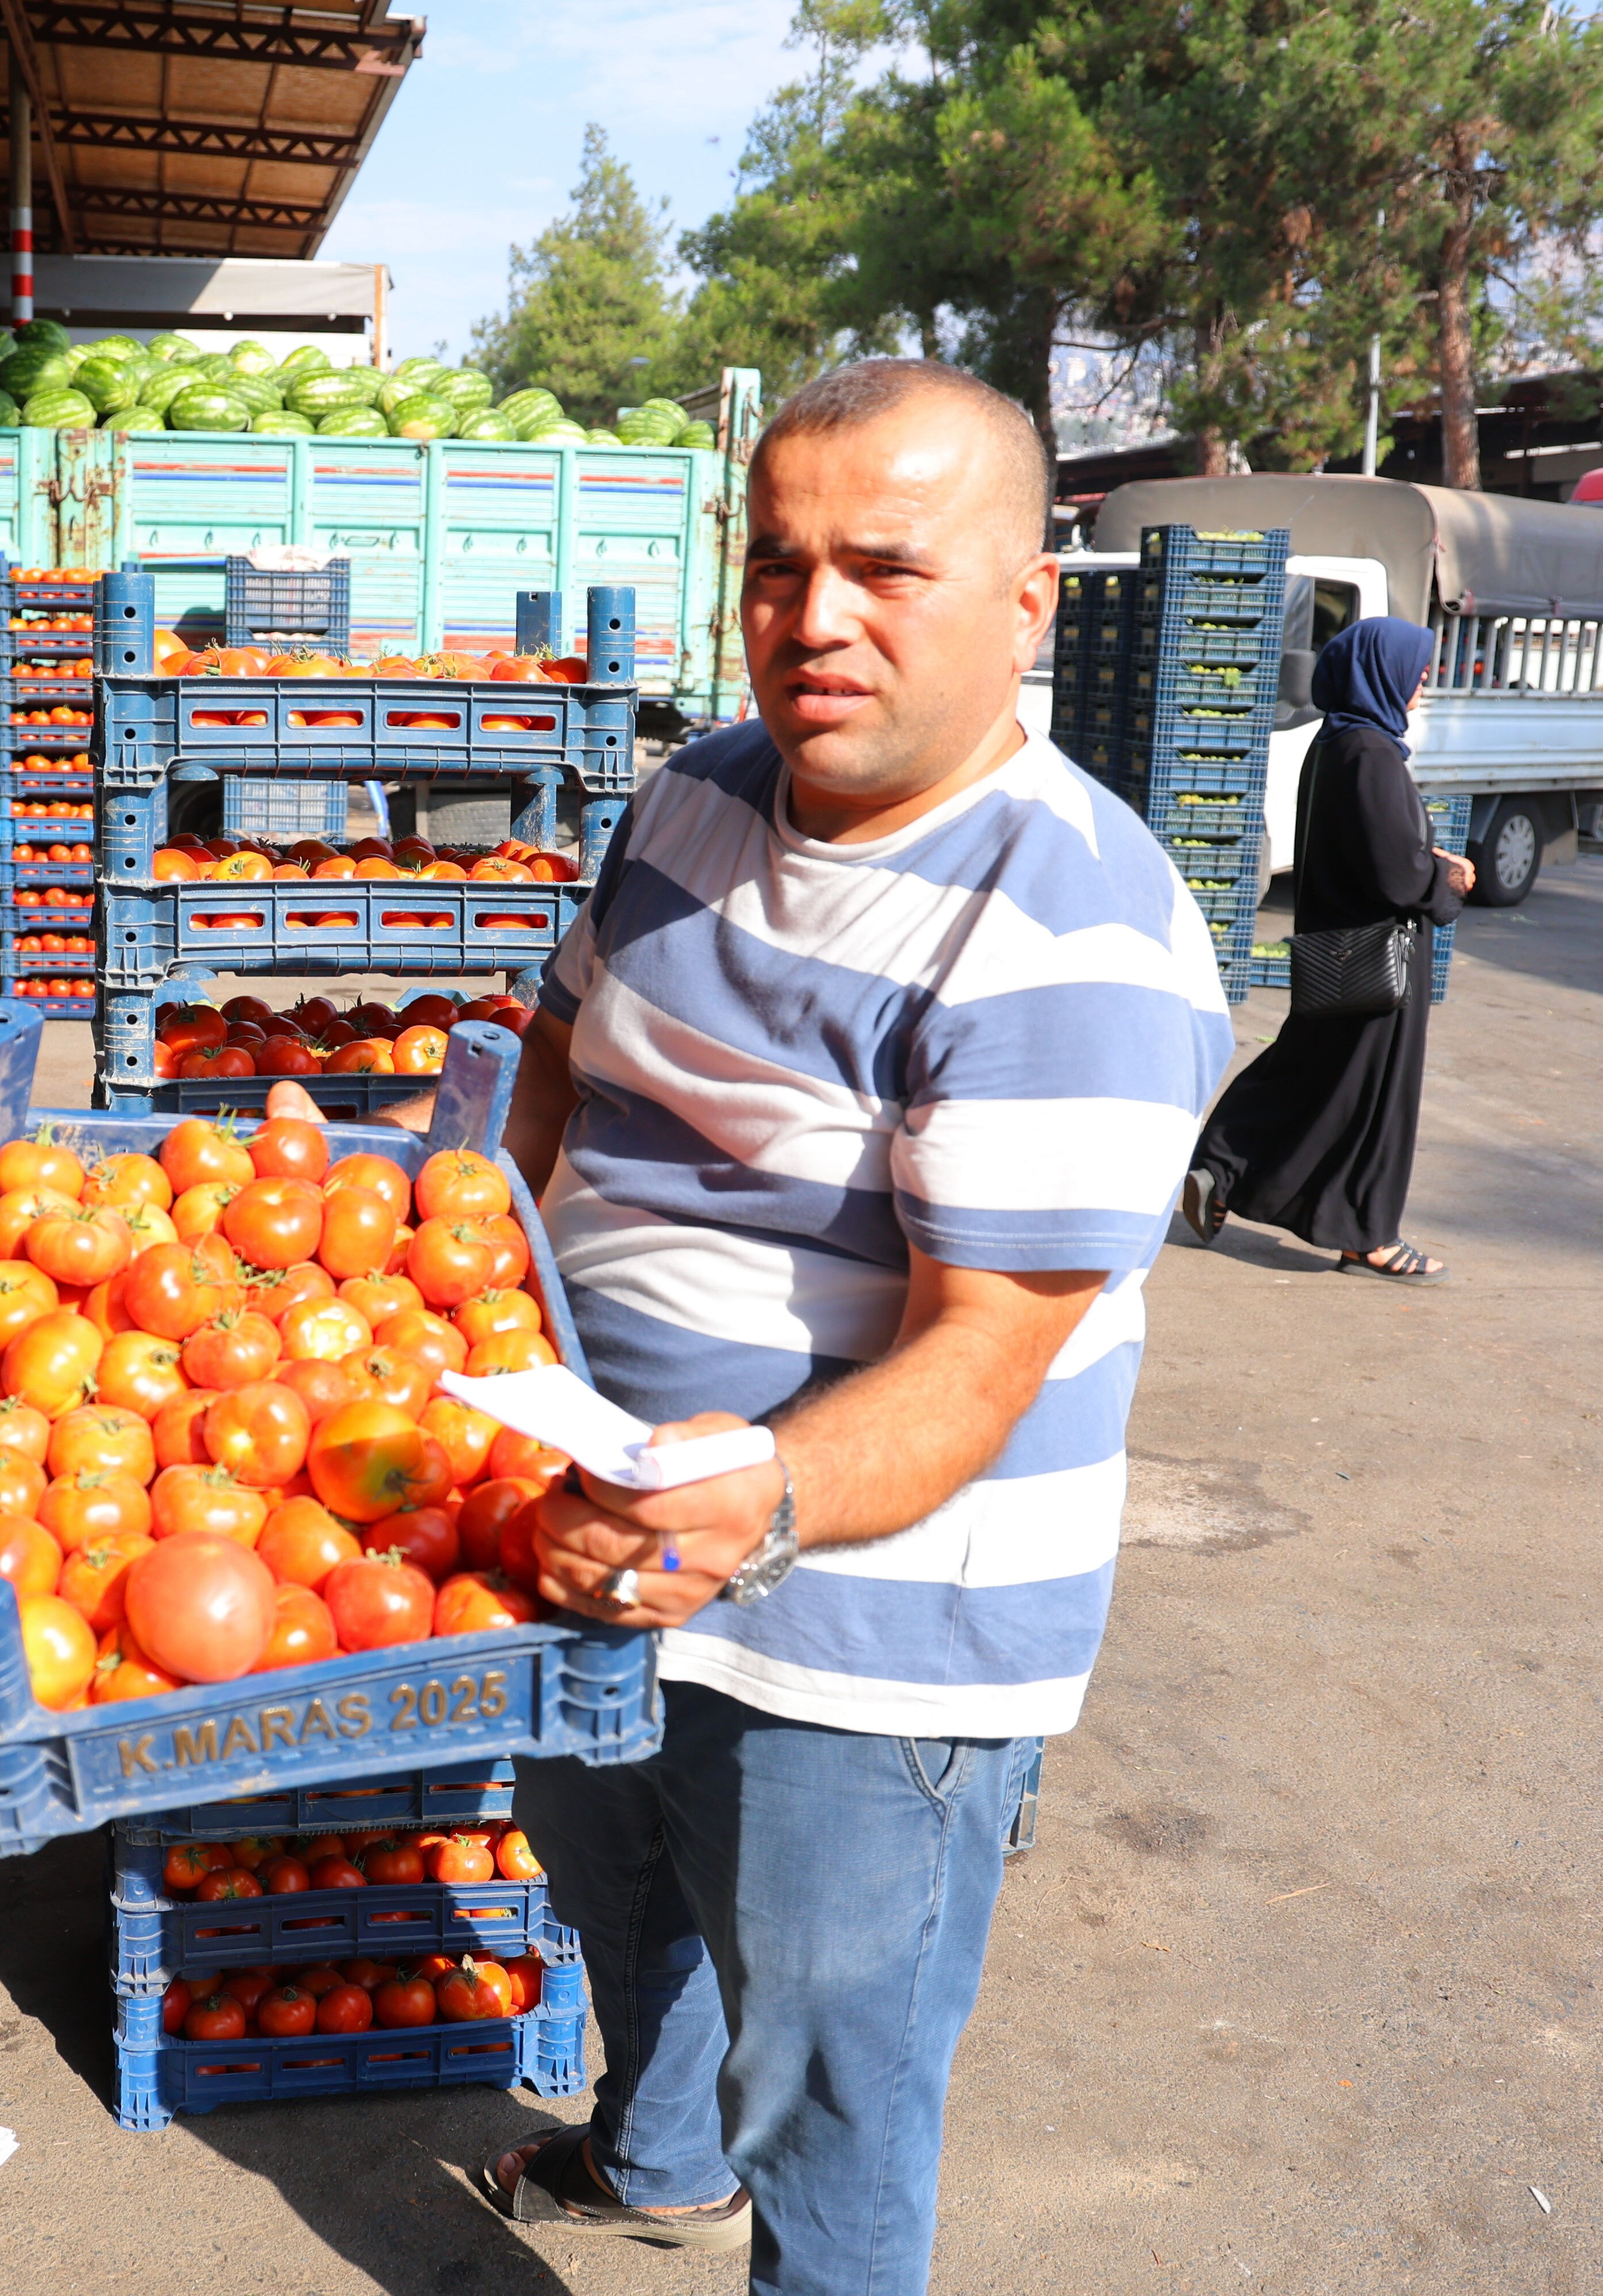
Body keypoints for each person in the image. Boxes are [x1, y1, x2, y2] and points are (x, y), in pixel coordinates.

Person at [418, 360, 1233, 2294]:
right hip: (595, 1524)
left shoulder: (1068, 933)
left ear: (1028, 601)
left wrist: (756, 1501)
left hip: (866, 1637)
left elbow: (981, 1362)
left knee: (839, 2104)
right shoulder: (696, 794)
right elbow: (550, 1056)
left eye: (887, 567)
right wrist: (437, 1239)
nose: (818, 619)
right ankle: (654, 2159)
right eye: (779, 567)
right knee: (620, 1894)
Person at [1178, 618, 1475, 1282]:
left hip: (1335, 943)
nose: (1423, 679)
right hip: (1378, 954)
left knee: (1310, 1074)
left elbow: (1370, 846)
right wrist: (1447, 880)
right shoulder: (1370, 753)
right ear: (1381, 672)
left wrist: (1423, 855)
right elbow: (1394, 874)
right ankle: (1367, 1234)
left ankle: (1220, 1170)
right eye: (1415, 668)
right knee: (1373, 1098)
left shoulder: (1336, 742)